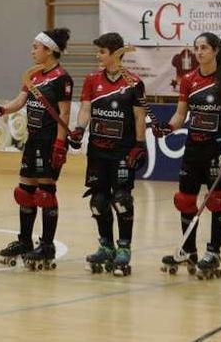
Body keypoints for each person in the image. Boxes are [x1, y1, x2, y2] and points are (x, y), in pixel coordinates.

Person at [153, 33, 221, 279]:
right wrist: (167, 128)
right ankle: (188, 250)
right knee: (185, 200)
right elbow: (181, 114)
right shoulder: (188, 79)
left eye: (204, 48)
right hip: (193, 149)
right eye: (196, 48)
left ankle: (213, 252)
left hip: (217, 150)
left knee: (216, 201)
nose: (199, 52)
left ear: (215, 51)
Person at [0, 28, 73, 270]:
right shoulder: (32, 75)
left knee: (46, 193)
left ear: (50, 50)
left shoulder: (61, 78)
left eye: (36, 47)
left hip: (49, 141)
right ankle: (25, 240)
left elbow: (64, 114)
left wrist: (60, 144)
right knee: (25, 191)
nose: (32, 51)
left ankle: (47, 244)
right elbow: (19, 102)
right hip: (32, 140)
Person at [69, 32, 147, 277]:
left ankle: (124, 248)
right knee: (98, 202)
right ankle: (106, 246)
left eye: (102, 52)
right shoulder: (92, 80)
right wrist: (79, 129)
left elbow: (138, 116)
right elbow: (85, 109)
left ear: (115, 53)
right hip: (98, 151)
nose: (98, 56)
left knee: (122, 200)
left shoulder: (133, 82)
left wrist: (140, 144)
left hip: (123, 151)